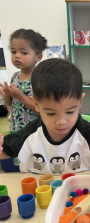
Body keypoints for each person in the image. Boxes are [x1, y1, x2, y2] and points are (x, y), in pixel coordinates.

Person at [0, 58, 90, 201]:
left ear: (80, 102)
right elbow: (5, 152)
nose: (61, 122)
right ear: (36, 104)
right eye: (51, 113)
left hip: (82, 198)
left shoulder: (86, 132)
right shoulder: (31, 134)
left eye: (70, 112)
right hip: (43, 200)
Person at [0, 29, 48, 167]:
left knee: (35, 156)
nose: (17, 56)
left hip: (33, 126)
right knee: (20, 154)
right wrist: (7, 94)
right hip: (17, 124)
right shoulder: (15, 76)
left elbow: (40, 109)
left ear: (38, 57)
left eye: (24, 52)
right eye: (14, 52)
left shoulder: (39, 79)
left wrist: (20, 96)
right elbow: (10, 105)